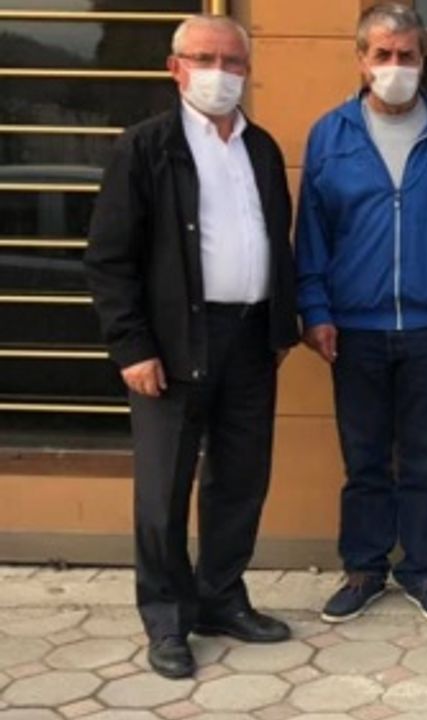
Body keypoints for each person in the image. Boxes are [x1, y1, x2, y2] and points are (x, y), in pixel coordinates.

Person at [84, 14, 298, 679]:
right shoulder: (146, 147)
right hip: (173, 345)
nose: (219, 74)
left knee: (240, 478)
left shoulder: (261, 148)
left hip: (251, 338)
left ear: (247, 70)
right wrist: (132, 347)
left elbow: (278, 239)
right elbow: (109, 259)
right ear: (175, 69)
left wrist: (281, 326)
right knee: (163, 490)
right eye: (205, 60)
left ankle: (221, 597)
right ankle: (168, 620)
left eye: (232, 62)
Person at [294, 3, 427, 626]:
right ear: (361, 59)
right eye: (382, 54)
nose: (395, 66)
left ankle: (423, 570)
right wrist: (315, 309)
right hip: (355, 328)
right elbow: (312, 234)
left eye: (406, 55)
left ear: (423, 60)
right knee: (365, 458)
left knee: (426, 458)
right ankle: (364, 568)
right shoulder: (331, 135)